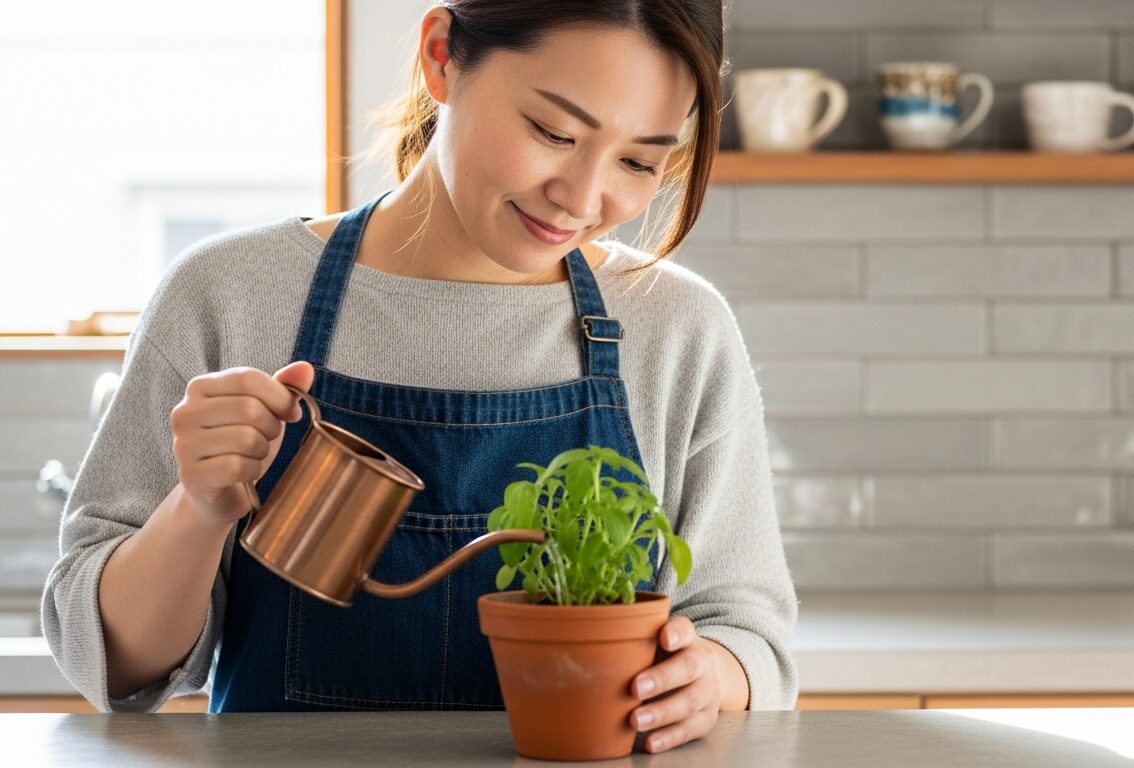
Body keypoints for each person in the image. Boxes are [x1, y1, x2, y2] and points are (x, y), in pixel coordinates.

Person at [41, 0, 797, 754]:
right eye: (553, 132)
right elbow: (113, 668)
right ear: (441, 56)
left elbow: (748, 630)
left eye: (639, 161)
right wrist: (199, 507)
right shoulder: (227, 294)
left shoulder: (677, 328)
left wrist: (712, 678)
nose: (583, 197)